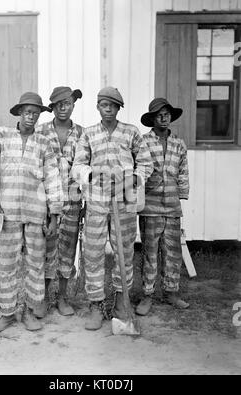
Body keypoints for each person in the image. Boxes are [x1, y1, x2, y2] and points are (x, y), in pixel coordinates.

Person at [72, 87, 153, 330]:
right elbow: (77, 165)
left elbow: (145, 163)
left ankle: (121, 302)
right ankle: (96, 305)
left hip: (124, 203)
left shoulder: (131, 133)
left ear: (119, 108)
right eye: (104, 105)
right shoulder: (88, 134)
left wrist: (133, 179)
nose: (108, 109)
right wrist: (91, 173)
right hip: (97, 203)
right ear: (98, 107)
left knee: (124, 252)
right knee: (93, 254)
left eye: (113, 105)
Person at [0, 92, 62, 332]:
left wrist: (54, 215)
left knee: (35, 263)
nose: (31, 117)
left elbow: (53, 179)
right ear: (19, 113)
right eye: (27, 112)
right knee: (7, 264)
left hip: (36, 213)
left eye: (36, 113)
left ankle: (28, 311)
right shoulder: (2, 136)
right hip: (8, 213)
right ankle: (7, 313)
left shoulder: (44, 143)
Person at [136, 98, 190, 316]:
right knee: (150, 252)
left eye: (166, 114)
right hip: (150, 206)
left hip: (172, 207)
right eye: (159, 114)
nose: (163, 118)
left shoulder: (179, 144)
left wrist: (182, 193)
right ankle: (147, 295)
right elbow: (139, 170)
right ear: (152, 119)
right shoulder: (144, 142)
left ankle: (171, 292)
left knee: (172, 252)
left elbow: (183, 171)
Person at [36, 86, 84, 317]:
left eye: (68, 103)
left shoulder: (83, 133)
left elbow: (87, 168)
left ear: (74, 105)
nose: (64, 108)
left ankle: (62, 298)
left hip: (73, 202)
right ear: (52, 107)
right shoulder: (41, 132)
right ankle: (43, 298)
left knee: (67, 250)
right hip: (46, 202)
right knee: (46, 250)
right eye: (59, 104)